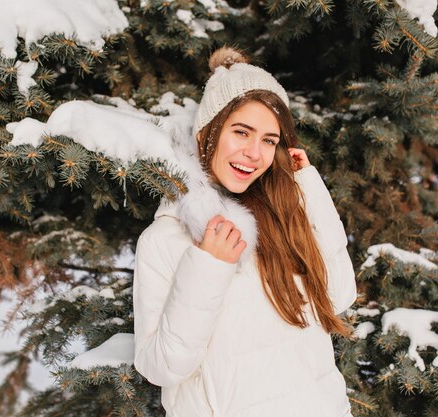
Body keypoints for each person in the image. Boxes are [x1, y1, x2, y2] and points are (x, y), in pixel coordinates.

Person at [133, 46, 357, 417]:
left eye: (269, 140)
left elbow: (338, 296)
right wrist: (207, 266)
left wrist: (308, 190)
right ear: (208, 134)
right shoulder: (165, 240)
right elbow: (160, 368)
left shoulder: (285, 218)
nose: (255, 153)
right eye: (242, 132)